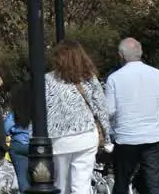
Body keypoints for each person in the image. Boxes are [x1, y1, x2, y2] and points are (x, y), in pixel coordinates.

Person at [106, 38, 159, 194]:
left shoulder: (114, 78)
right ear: (141, 53)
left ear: (121, 55)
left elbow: (110, 111)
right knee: (154, 181)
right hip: (153, 136)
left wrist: (110, 133)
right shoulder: (158, 75)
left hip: (125, 136)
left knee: (122, 181)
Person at [45, 39, 110, 194]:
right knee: (82, 184)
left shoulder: (47, 80)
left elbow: (40, 110)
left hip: (59, 138)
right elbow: (101, 109)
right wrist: (107, 137)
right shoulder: (89, 78)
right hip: (86, 135)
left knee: (61, 184)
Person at [4, 85, 33, 192]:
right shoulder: (36, 111)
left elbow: (6, 129)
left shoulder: (15, 113)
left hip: (18, 145)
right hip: (34, 145)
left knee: (22, 178)